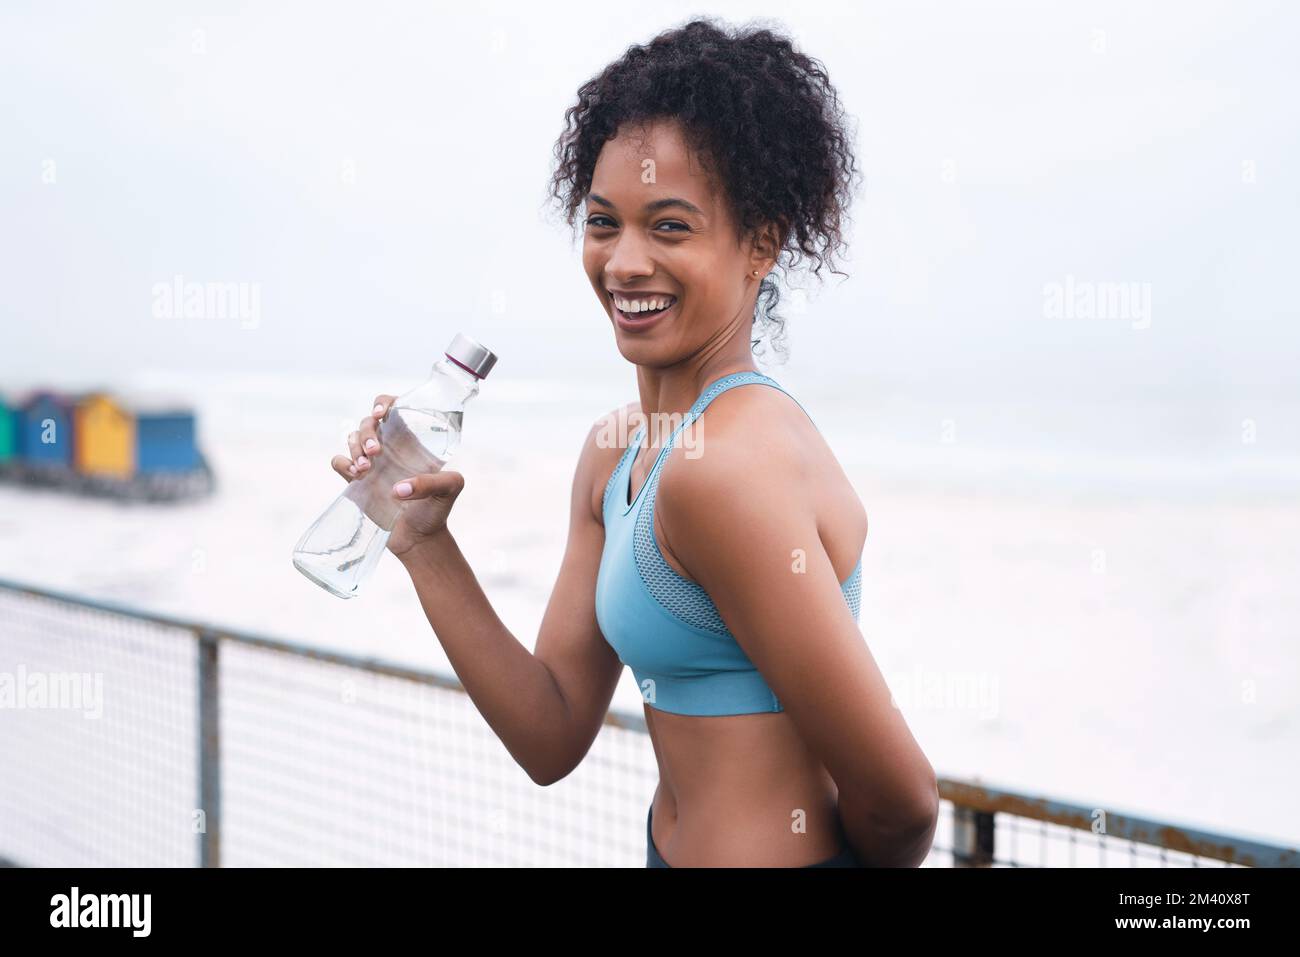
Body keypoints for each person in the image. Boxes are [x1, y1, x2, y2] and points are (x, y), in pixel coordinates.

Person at [330, 16, 938, 868]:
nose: (623, 262)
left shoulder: (724, 469)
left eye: (671, 226)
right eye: (604, 222)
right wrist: (426, 546)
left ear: (760, 243)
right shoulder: (618, 451)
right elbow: (551, 731)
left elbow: (903, 803)